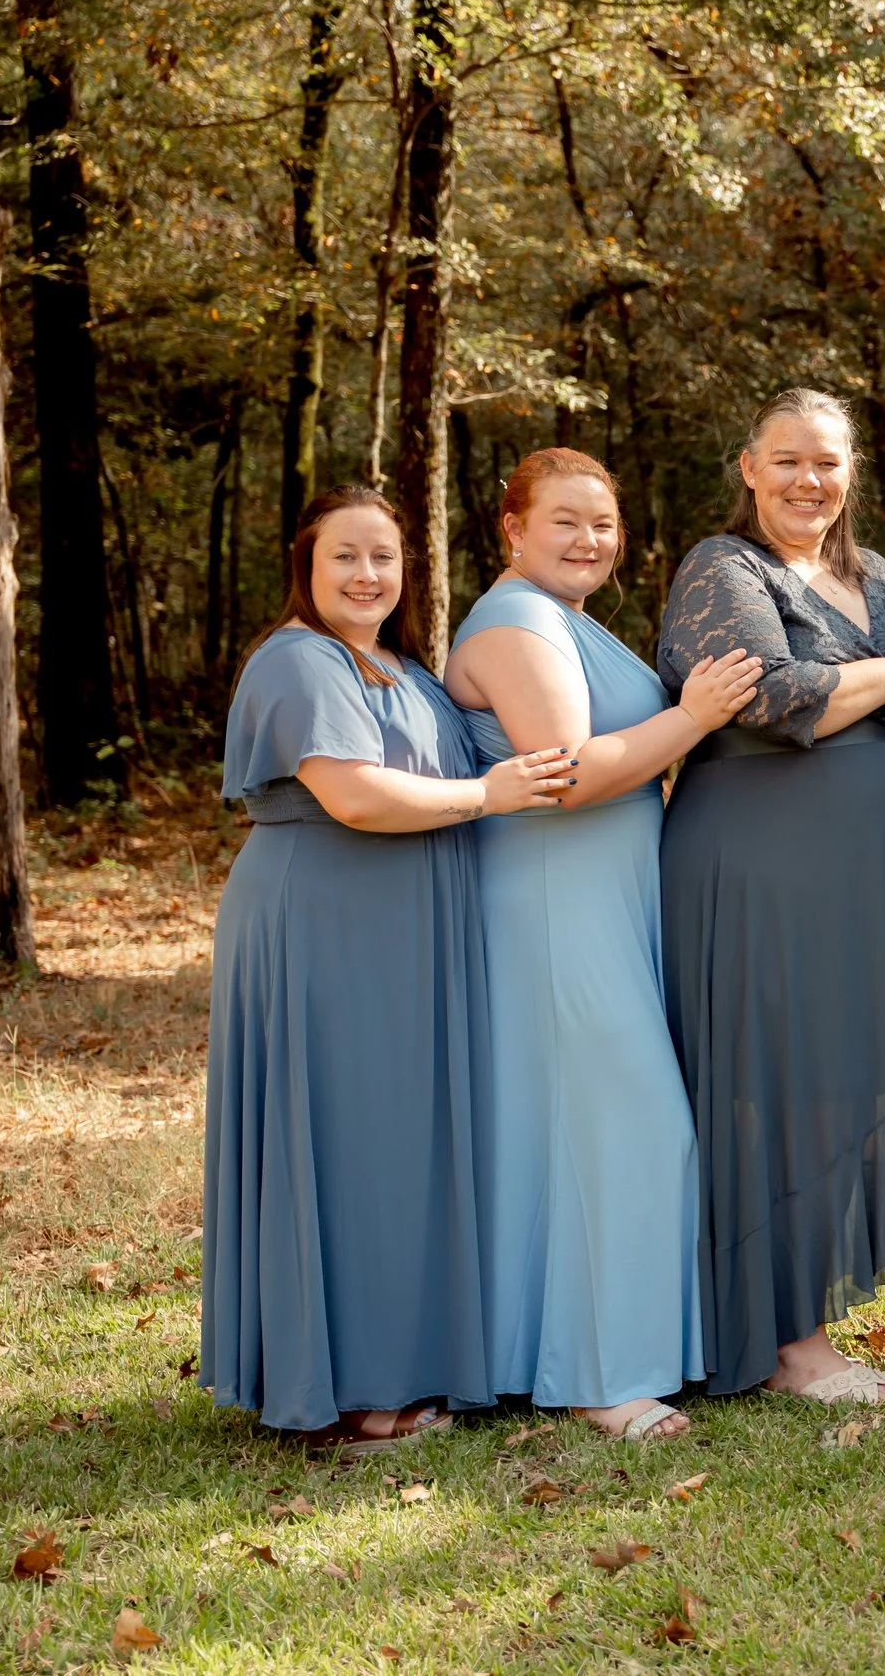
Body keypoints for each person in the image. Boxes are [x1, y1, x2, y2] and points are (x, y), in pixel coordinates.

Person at [203, 486, 574, 1451]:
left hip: (405, 925)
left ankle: (398, 1358)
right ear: (307, 565)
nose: (369, 575)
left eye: (386, 558)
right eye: (346, 557)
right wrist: (487, 795)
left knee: (398, 1143)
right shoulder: (299, 659)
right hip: (327, 921)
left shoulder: (400, 667)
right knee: (344, 1140)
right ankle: (337, 1388)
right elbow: (356, 796)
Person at [656, 388, 885, 1405]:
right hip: (767, 858)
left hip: (880, 868)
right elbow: (769, 697)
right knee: (770, 1081)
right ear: (749, 468)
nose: (810, 480)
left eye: (828, 461)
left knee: (840, 1082)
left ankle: (802, 1313)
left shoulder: (878, 578)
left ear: (852, 470)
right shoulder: (722, 568)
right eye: (788, 460)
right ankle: (779, 1339)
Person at [444, 450, 763, 1441]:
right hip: (547, 897)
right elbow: (568, 774)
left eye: (603, 524)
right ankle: (599, 1375)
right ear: (512, 527)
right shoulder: (514, 620)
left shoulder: (566, 618)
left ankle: (546, 1354)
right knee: (625, 1125)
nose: (589, 541)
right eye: (565, 522)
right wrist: (693, 715)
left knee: (570, 1132)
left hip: (602, 898)